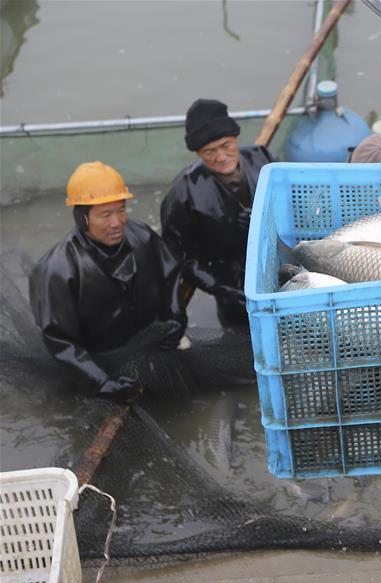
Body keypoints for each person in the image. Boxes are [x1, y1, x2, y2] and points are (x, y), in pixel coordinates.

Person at [29, 162, 186, 402]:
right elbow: (60, 340)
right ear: (82, 218)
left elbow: (171, 274)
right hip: (99, 363)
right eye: (105, 215)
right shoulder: (58, 269)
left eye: (121, 210)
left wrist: (176, 317)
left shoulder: (142, 236)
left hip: (150, 349)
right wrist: (100, 382)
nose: (117, 223)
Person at [161, 99, 275, 327]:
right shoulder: (182, 194)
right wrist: (218, 286)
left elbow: (292, 202)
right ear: (198, 153)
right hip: (228, 280)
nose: (221, 157)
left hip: (273, 261)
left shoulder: (261, 158)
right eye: (209, 152)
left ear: (235, 139)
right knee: (241, 334)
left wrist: (264, 219)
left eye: (226, 145)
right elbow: (177, 255)